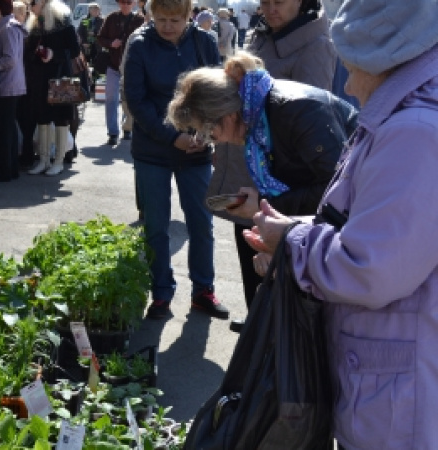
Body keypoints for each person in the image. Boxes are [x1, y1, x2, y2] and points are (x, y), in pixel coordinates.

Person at [242, 1, 438, 447]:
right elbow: (374, 228)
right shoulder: (407, 119)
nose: (347, 84)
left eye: (352, 69)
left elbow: (370, 267)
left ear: (385, 61)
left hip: (399, 403)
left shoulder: (415, 133)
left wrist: (292, 242)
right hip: (395, 382)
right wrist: (296, 233)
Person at [165, 50, 357, 322]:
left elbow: (339, 191)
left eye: (208, 132)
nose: (212, 141)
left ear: (227, 115)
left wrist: (270, 205)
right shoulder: (258, 120)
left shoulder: (296, 110)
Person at [215, 0, 338, 332]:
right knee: (247, 241)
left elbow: (312, 114)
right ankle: (257, 313)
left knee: (278, 255)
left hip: (283, 176)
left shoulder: (316, 45)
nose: (270, 8)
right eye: (264, 1)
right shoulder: (258, 35)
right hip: (250, 163)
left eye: (279, 1)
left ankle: (274, 326)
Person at [123, 0, 226, 320]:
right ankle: (161, 291)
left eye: (174, 20)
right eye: (161, 19)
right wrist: (172, 137)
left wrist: (206, 134)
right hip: (153, 151)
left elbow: (216, 92)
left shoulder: (203, 41)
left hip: (195, 150)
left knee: (202, 224)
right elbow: (136, 102)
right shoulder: (140, 44)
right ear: (151, 16)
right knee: (155, 226)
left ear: (188, 17)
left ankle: (203, 290)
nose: (167, 26)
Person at [24, 0, 81, 176]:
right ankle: (43, 160)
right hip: (39, 79)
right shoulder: (35, 25)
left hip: (60, 78)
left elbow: (74, 50)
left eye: (33, 2)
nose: (30, 6)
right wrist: (37, 54)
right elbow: (27, 52)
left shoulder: (63, 23)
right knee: (42, 117)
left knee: (61, 118)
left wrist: (53, 55)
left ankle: (58, 161)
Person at [247, 0, 335, 89]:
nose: (271, 10)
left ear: (299, 1)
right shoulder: (262, 32)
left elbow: (312, 101)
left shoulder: (316, 47)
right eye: (264, 2)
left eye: (278, 2)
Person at [0, 0, 28, 182]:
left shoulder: (7, 29)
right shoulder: (12, 27)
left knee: (4, 129)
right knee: (9, 127)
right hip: (14, 83)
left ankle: (4, 169)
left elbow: (10, 59)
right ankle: (10, 168)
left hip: (8, 84)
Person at [96, 0, 144, 146]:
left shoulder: (140, 20)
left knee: (129, 100)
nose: (125, 5)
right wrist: (111, 43)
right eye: (122, 2)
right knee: (111, 99)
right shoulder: (111, 18)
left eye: (128, 2)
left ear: (134, 4)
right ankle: (112, 132)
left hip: (132, 67)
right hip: (113, 65)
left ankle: (128, 128)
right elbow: (100, 38)